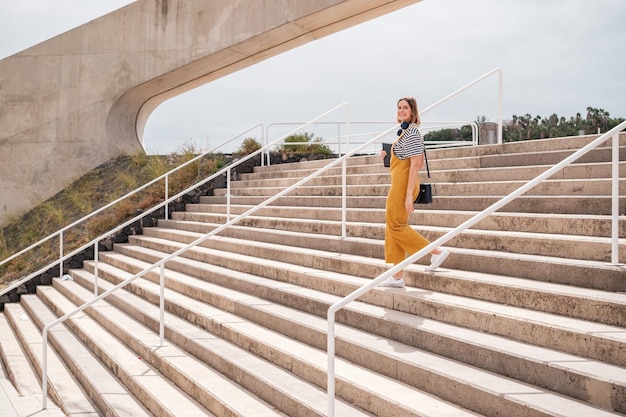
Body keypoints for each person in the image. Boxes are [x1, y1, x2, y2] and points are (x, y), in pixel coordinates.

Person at [378, 96, 449, 288]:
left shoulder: (413, 132)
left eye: (405, 108)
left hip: (403, 185)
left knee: (396, 226)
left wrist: (409, 195)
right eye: (399, 107)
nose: (401, 111)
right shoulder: (403, 132)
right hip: (398, 182)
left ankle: (435, 252)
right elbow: (402, 161)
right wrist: (387, 156)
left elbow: (416, 164)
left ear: (413, 111)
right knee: (393, 225)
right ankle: (396, 276)